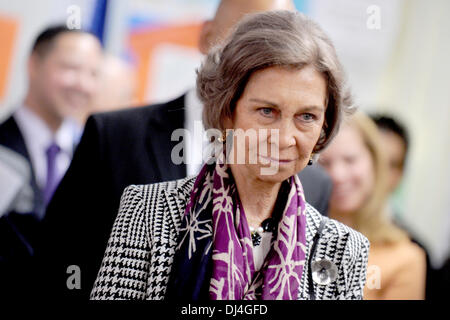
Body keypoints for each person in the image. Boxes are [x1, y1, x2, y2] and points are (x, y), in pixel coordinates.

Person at [38, 0, 332, 300]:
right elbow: (57, 260)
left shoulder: (314, 185)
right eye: (248, 37)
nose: (269, 57)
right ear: (208, 37)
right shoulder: (115, 136)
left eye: (285, 41)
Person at [0, 25, 102, 296]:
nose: (82, 84)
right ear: (34, 64)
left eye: (93, 73)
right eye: (71, 68)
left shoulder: (96, 157)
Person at [319, 112, 426, 300]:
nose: (338, 175)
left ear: (375, 164)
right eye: (324, 163)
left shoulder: (405, 259)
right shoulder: (291, 240)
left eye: (350, 160)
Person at [370, 113, 437, 299]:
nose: (379, 173)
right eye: (373, 159)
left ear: (400, 175)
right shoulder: (305, 227)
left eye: (390, 165)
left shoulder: (415, 252)